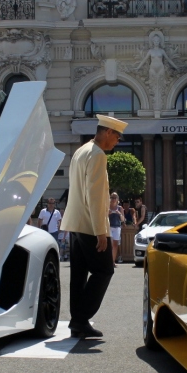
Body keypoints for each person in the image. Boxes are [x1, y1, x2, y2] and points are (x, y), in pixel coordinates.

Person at [62, 114, 126, 338]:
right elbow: (96, 196)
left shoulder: (81, 150)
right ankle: (80, 318)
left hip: (76, 222)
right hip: (91, 224)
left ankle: (77, 322)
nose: (117, 142)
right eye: (117, 137)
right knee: (104, 270)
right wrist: (101, 231)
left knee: (79, 275)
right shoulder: (98, 155)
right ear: (108, 132)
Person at [108, 192, 124, 263]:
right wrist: (108, 214)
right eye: (112, 197)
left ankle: (113, 261)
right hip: (109, 227)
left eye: (115, 198)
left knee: (115, 245)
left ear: (117, 199)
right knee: (110, 244)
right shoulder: (107, 207)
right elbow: (103, 218)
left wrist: (119, 214)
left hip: (117, 227)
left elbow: (123, 219)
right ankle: (109, 261)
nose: (113, 199)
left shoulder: (120, 208)